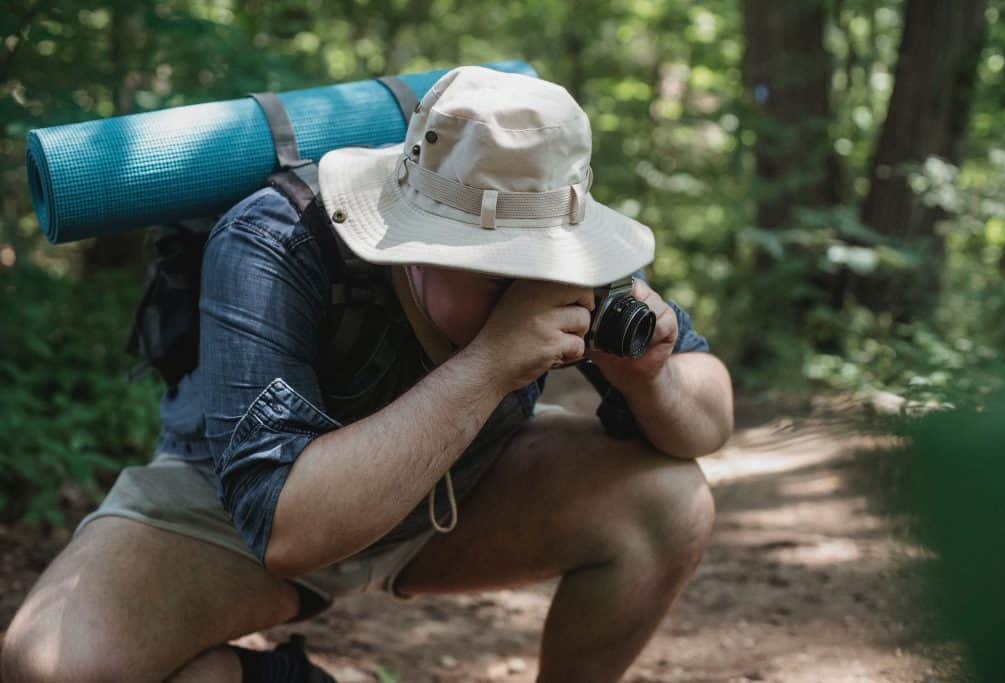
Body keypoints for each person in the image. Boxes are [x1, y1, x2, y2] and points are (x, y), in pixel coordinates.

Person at [2, 66, 732, 683]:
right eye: (500, 272)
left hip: (453, 500)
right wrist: (488, 365)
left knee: (668, 499)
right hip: (231, 520)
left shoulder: (570, 245)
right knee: (47, 665)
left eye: (542, 266)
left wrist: (650, 378)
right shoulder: (277, 238)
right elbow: (283, 526)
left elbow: (710, 418)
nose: (529, 292)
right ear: (414, 238)